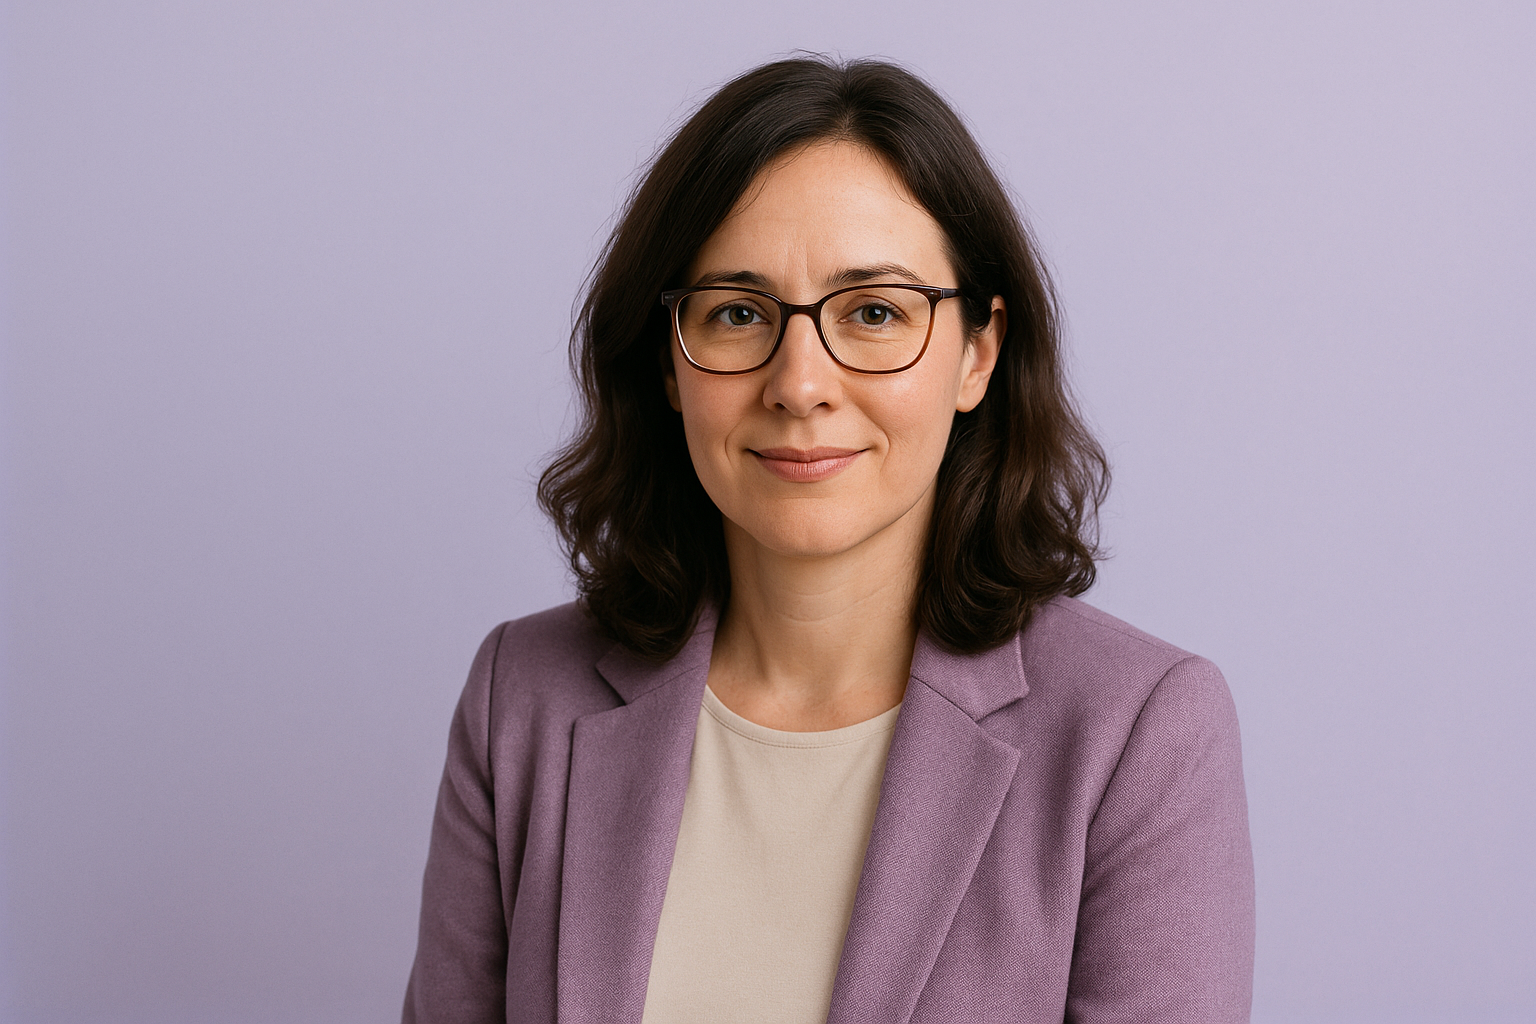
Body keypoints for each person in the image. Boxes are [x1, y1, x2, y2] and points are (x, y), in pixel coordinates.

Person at [403, 56, 1254, 1024]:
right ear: (669, 362)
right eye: (735, 312)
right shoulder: (524, 693)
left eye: (876, 312)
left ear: (978, 351)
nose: (799, 383)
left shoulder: (1137, 734)